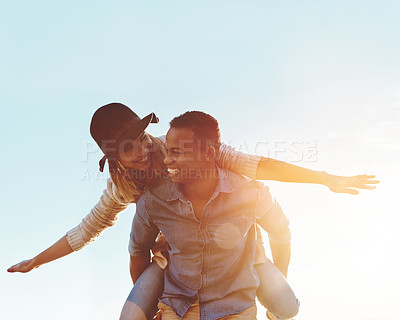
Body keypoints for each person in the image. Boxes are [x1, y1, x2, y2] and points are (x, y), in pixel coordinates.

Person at [7, 103, 378, 319]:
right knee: (134, 312)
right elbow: (84, 232)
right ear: (113, 158)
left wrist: (325, 178)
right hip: (175, 256)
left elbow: (257, 165)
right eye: (127, 149)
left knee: (285, 304)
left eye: (140, 138)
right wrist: (36, 261)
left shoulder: (183, 147)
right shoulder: (124, 188)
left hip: (230, 244)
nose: (142, 150)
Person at [126, 111, 297, 320]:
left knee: (289, 308)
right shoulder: (153, 201)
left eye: (177, 153)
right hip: (178, 307)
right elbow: (138, 251)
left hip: (235, 307)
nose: (167, 161)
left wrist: (279, 281)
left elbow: (281, 233)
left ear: (207, 154)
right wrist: (150, 304)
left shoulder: (250, 193)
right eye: (167, 151)